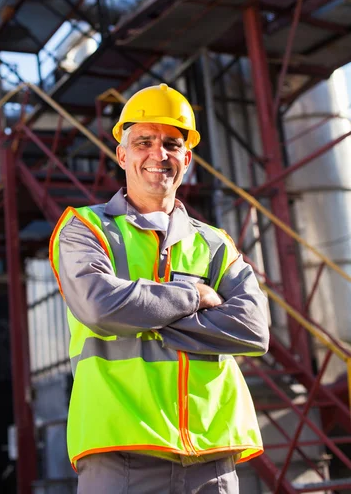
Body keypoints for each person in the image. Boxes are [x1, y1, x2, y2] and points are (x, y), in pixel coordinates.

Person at [49, 83, 269, 494]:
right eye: (144, 142)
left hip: (212, 455)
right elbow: (100, 308)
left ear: (187, 157)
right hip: (121, 451)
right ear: (122, 154)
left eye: (171, 143)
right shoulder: (85, 229)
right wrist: (195, 296)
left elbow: (254, 330)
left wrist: (143, 312)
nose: (158, 154)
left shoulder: (215, 243)